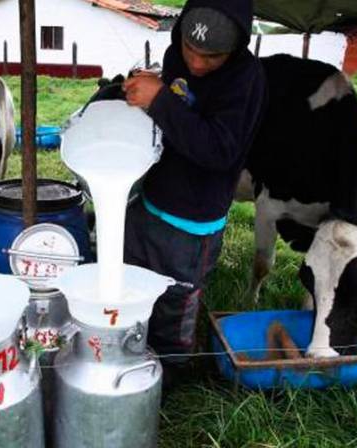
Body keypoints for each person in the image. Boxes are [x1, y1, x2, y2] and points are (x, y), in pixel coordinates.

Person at [121, 0, 267, 385]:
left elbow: (219, 150)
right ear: (179, 34)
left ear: (235, 49)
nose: (198, 64)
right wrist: (149, 91)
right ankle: (128, 354)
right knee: (130, 281)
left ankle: (170, 371)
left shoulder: (246, 80)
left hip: (193, 222)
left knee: (175, 299)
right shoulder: (175, 55)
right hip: (149, 201)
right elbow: (175, 107)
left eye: (213, 56)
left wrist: (160, 100)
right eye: (191, 49)